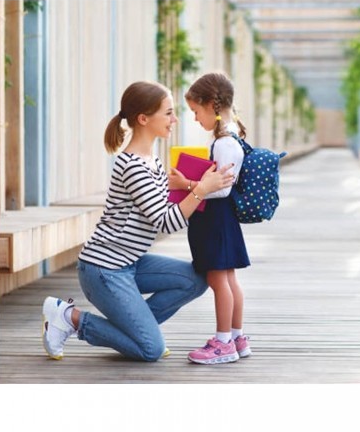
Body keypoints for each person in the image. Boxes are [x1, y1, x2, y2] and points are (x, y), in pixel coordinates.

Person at [42, 80, 234, 362]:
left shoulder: (151, 160)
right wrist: (201, 189)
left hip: (130, 262)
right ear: (144, 118)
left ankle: (136, 331)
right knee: (150, 350)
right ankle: (70, 318)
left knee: (196, 280)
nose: (175, 119)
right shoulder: (133, 166)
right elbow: (165, 222)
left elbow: (163, 202)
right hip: (103, 270)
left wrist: (191, 183)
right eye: (168, 113)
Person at [169, 72, 251, 364]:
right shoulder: (230, 138)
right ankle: (236, 337)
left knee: (219, 281)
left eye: (195, 111)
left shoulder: (224, 143)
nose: (194, 119)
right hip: (222, 221)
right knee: (229, 280)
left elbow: (220, 189)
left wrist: (186, 185)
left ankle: (223, 342)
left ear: (211, 105)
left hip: (215, 220)